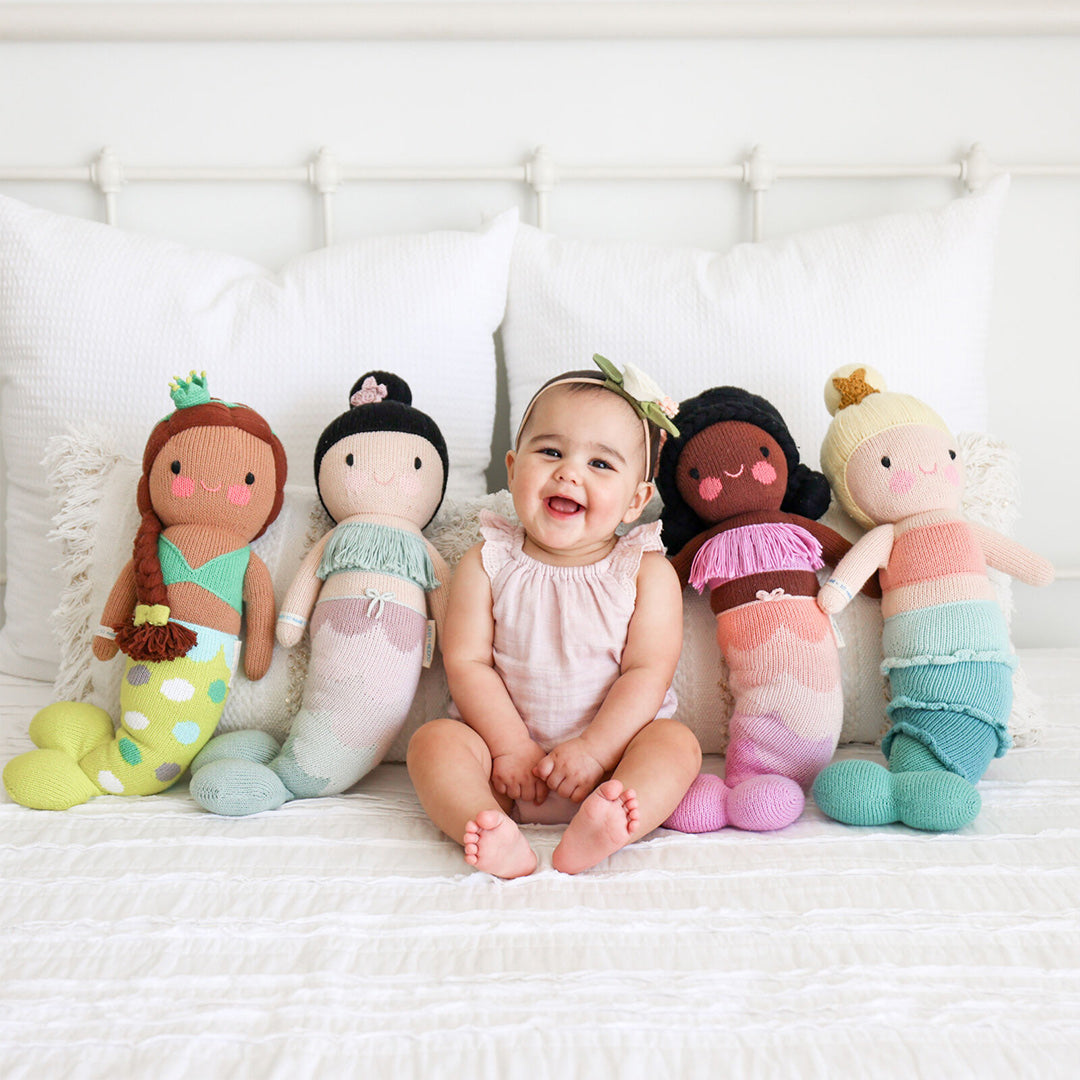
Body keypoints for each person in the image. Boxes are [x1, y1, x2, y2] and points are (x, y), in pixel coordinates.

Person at [407, 355, 701, 877]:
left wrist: (594, 751)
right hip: (503, 766)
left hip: (613, 758)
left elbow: (647, 673)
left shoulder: (644, 572)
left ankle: (609, 822)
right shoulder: (487, 561)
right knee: (433, 744)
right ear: (515, 469)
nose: (569, 471)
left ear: (637, 500)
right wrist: (509, 748)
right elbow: (467, 662)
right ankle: (485, 824)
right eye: (551, 452)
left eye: (601, 464)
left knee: (676, 746)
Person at [3, 372, 287, 809]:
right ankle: (92, 759)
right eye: (179, 469)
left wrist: (258, 652)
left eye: (245, 480)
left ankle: (92, 771)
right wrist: (105, 632)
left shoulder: (245, 560)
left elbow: (262, 606)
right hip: (150, 647)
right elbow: (126, 586)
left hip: (205, 663)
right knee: (143, 719)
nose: (213, 487)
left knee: (163, 740)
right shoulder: (153, 544)